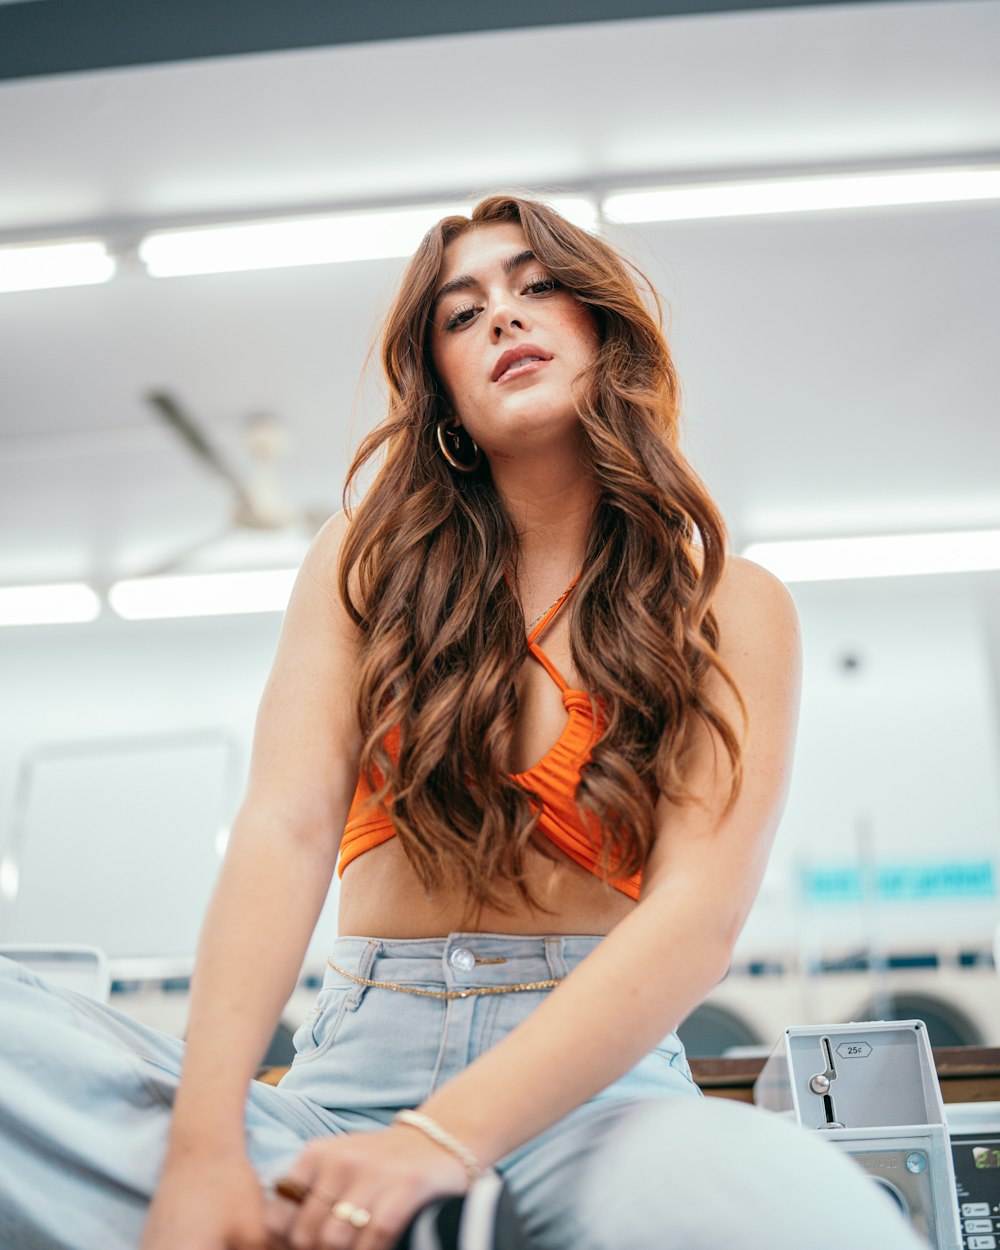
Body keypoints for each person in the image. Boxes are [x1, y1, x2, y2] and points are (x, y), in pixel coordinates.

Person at [0, 195, 927, 1250]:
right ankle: (409, 1218)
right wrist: (204, 1152)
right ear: (440, 384)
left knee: (790, 1209)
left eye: (537, 288)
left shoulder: (730, 602)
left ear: (601, 332)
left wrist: (437, 1143)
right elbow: (284, 827)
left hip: (604, 1098)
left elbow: (698, 916)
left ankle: (419, 1210)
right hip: (343, 1090)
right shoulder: (366, 562)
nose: (502, 316)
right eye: (461, 312)